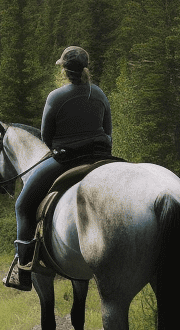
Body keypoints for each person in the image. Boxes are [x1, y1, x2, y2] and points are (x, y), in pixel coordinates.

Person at [7, 46, 113, 290]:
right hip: (102, 156)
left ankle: (23, 270)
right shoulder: (99, 94)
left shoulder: (56, 97)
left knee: (22, 205)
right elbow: (108, 131)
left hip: (67, 160)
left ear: (65, 71)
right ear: (86, 69)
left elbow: (46, 137)